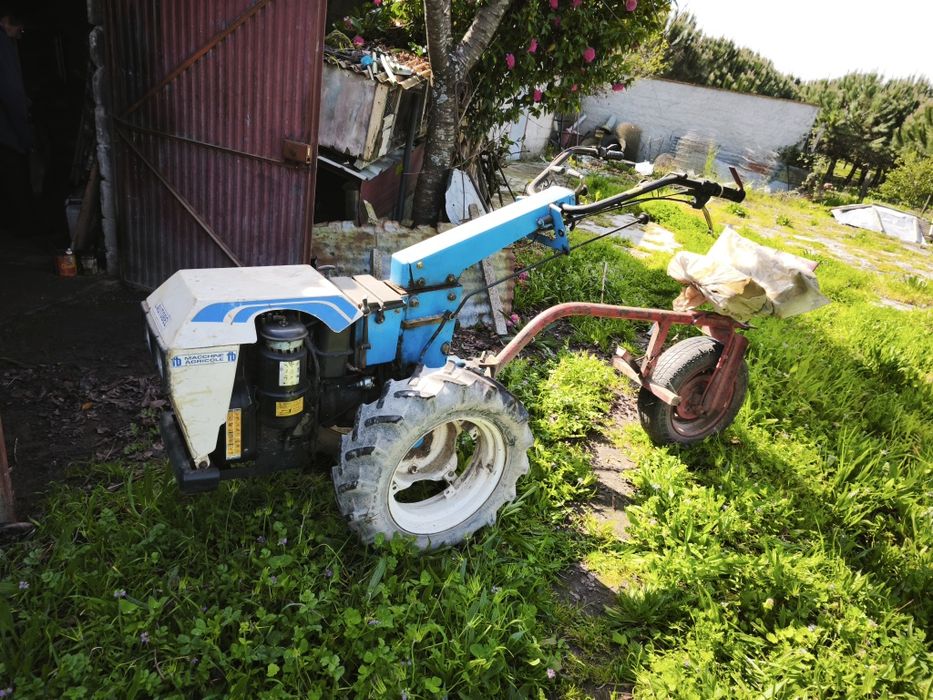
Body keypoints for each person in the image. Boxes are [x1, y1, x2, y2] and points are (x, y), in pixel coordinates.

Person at [0, 4, 32, 236]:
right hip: (5, 130)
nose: (21, 33)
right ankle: (21, 227)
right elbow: (11, 90)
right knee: (14, 176)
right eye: (19, 28)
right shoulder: (3, 45)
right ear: (7, 21)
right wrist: (25, 136)